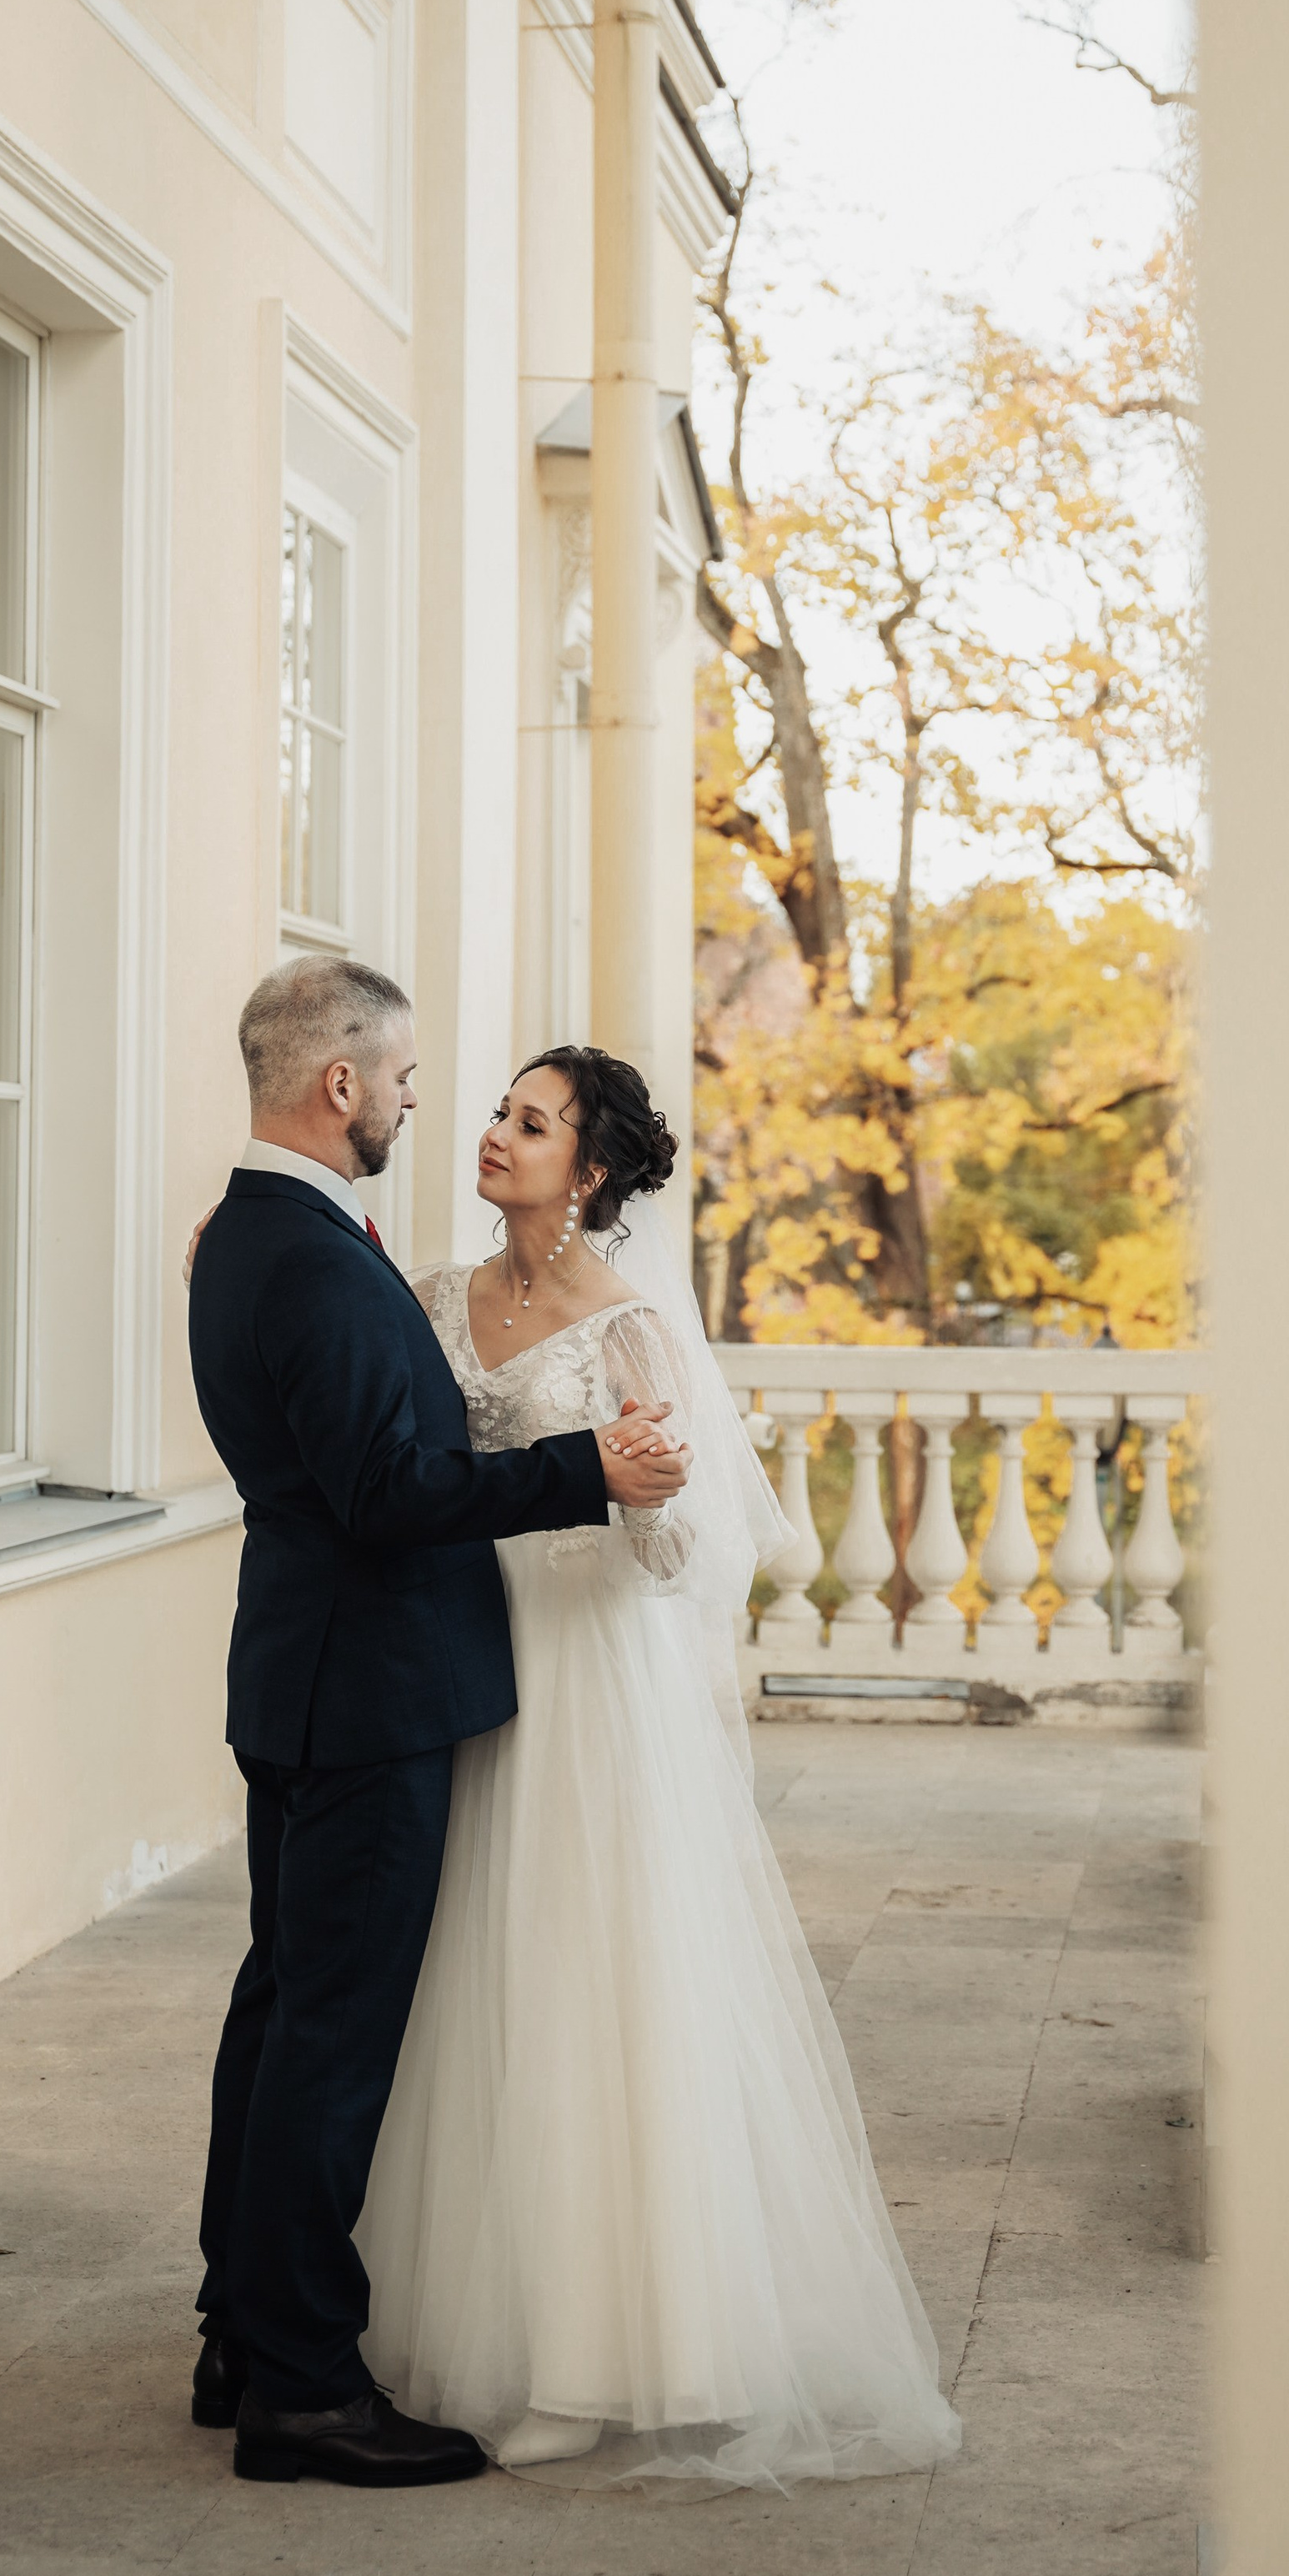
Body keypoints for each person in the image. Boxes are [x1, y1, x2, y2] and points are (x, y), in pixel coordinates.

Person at [354, 1045, 963, 2488]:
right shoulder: (439, 1298)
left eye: (532, 1123)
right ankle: (457, 2318)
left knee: (583, 1982)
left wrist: (649, 1498)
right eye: (501, 1112)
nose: (495, 1135)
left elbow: (691, 1556)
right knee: (471, 1981)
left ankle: (599, 2357)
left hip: (589, 1680)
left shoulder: (629, 1329)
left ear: (596, 1170)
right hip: (465, 1656)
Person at [184, 959, 691, 2489]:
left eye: (519, 1114)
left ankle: (242, 2331)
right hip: (369, 1694)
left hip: (309, 1677)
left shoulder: (252, 1238)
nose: (432, 1107)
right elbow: (391, 1492)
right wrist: (582, 1473)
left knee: (280, 2017)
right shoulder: (320, 1263)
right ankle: (302, 2389)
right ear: (341, 1087)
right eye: (414, 1082)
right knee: (327, 2040)